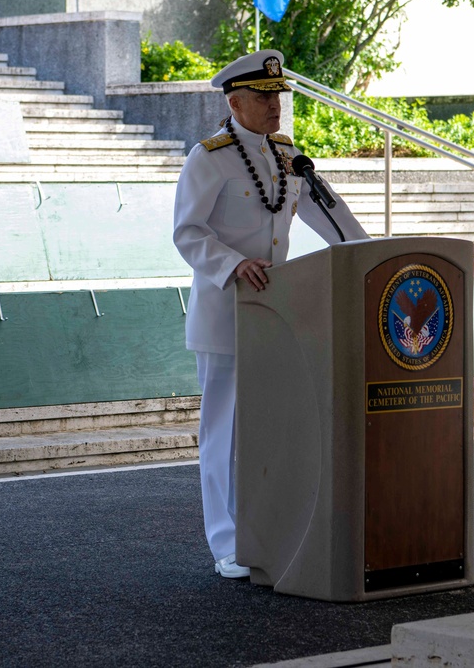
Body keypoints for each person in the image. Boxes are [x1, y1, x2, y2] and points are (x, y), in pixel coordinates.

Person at [173, 49, 369, 579]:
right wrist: (233, 265)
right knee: (225, 433)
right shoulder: (208, 157)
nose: (274, 105)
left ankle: (267, 532)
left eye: (278, 95)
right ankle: (226, 544)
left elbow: (330, 214)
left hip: (276, 313)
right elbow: (187, 233)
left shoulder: (287, 155)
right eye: (262, 97)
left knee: (272, 430)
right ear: (235, 101)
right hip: (225, 313)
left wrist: (369, 255)